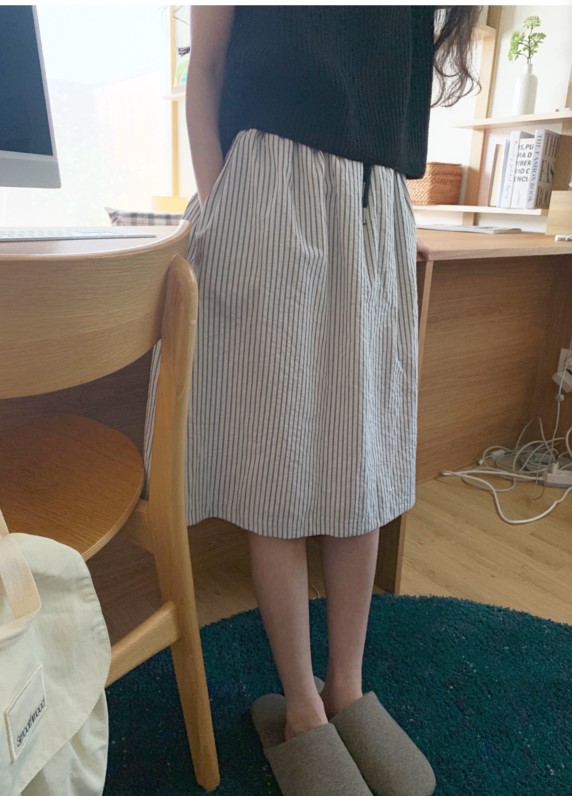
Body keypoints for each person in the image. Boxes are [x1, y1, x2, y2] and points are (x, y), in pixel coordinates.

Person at [146, 6, 481, 794]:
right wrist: (222, 202)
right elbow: (208, 67)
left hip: (377, 203)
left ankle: (346, 689)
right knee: (279, 458)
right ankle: (300, 706)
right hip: (268, 189)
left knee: (362, 460)